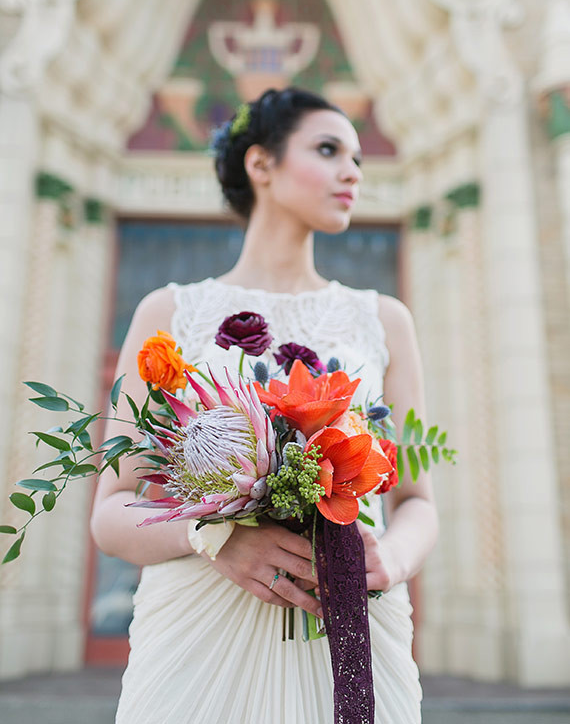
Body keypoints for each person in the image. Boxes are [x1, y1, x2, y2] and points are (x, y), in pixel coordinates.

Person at [90, 87, 439, 723]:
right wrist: (211, 535)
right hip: (200, 629)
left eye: (358, 158)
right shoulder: (169, 314)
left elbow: (417, 502)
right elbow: (111, 514)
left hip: (349, 617)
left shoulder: (384, 320)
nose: (352, 172)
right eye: (329, 150)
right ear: (261, 164)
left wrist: (393, 556)